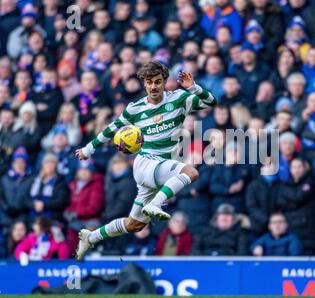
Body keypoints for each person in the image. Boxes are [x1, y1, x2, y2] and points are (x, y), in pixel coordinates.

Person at [75, 61, 217, 260]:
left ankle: (91, 237)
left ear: (165, 82)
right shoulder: (135, 109)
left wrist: (193, 87)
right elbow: (111, 128)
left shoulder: (179, 99)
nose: (154, 87)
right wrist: (88, 149)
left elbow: (212, 102)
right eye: (149, 82)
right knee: (191, 172)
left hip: (160, 167)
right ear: (144, 84)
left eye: (158, 82)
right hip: (145, 163)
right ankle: (157, 203)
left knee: (135, 225)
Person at [275, 158, 315, 254]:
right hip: (290, 227)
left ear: (304, 168)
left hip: (306, 228)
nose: (297, 170)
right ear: (290, 169)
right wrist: (296, 202)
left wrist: (290, 198)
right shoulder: (284, 184)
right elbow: (281, 203)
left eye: (299, 167)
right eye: (294, 167)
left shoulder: (309, 182)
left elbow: (299, 197)